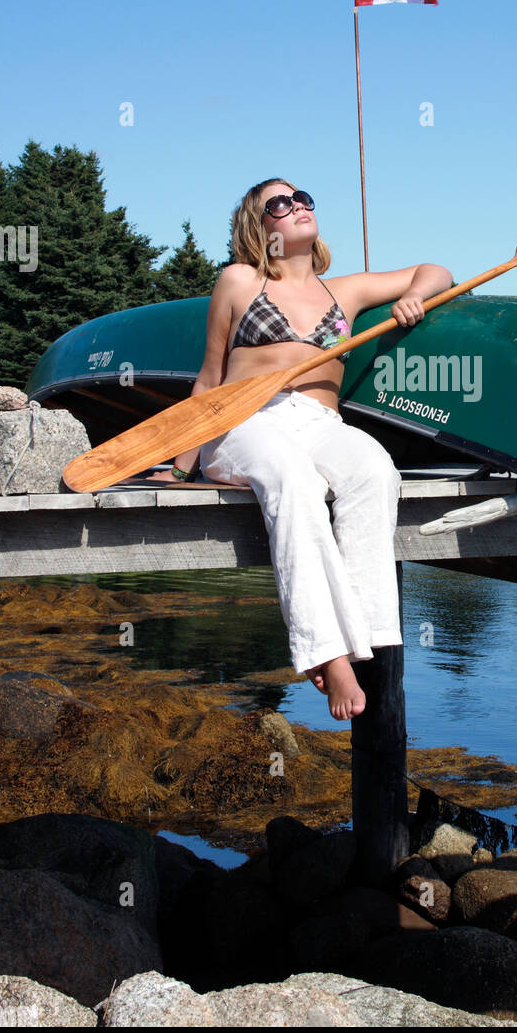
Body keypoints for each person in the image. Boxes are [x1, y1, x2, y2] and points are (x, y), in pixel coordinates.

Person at [158, 177, 453, 721]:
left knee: (375, 470)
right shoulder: (239, 281)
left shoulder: (346, 291)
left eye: (303, 199)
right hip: (247, 423)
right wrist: (180, 468)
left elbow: (435, 272)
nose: (296, 207)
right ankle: (327, 653)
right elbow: (209, 380)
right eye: (279, 203)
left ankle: (369, 634)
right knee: (295, 481)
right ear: (258, 225)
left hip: (321, 423)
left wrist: (414, 297)